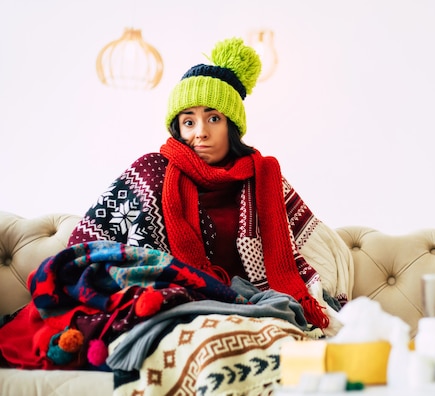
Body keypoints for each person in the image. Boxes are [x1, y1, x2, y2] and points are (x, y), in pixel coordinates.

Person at [68, 37, 352, 334]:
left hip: (250, 307)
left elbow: (321, 251)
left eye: (213, 118)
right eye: (188, 122)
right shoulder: (152, 171)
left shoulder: (265, 178)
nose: (200, 133)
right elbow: (84, 242)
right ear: (178, 128)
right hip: (175, 304)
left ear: (231, 125)